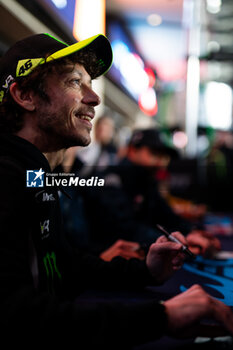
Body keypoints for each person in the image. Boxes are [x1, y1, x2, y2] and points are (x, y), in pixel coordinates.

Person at [0, 33, 232, 349]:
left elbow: (62, 265)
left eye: (90, 84)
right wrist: (159, 318)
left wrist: (145, 271)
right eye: (73, 82)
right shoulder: (8, 177)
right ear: (24, 95)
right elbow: (18, 320)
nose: (94, 99)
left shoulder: (34, 174)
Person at [83, 128, 221, 256]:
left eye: (163, 157)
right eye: (154, 154)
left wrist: (191, 232)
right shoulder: (111, 180)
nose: (160, 162)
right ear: (132, 151)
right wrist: (175, 242)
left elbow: (165, 215)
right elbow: (124, 229)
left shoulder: (146, 181)